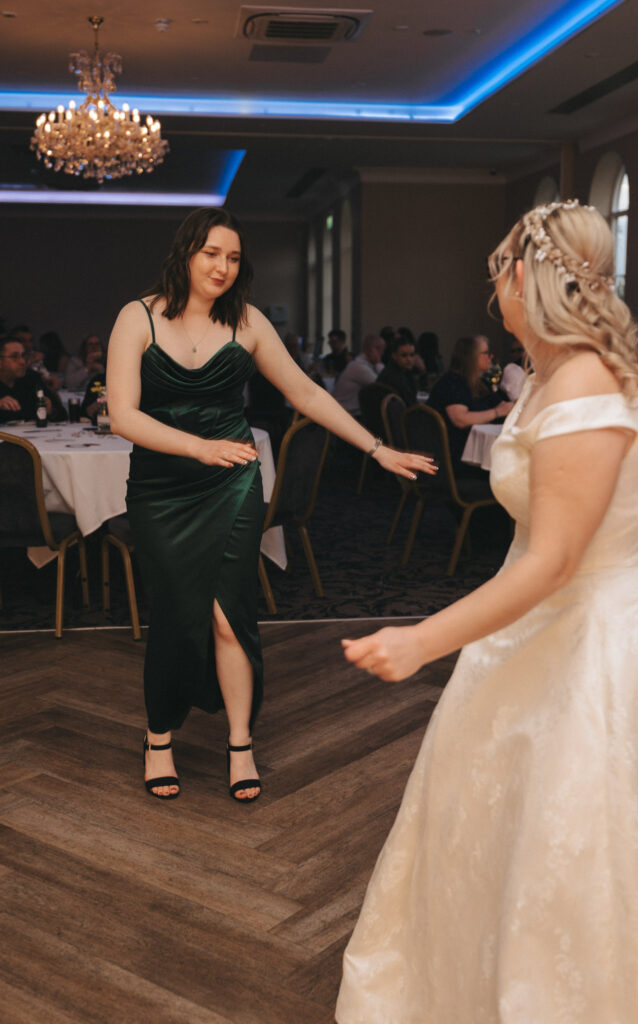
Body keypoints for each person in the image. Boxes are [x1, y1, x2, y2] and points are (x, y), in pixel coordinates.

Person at [336, 200, 638, 1022]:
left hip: (596, 647)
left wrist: (420, 640)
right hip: (538, 634)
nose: (496, 299)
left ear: (527, 277)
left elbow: (555, 558)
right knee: (502, 843)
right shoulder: (564, 374)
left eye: (500, 279)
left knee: (578, 857)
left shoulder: (589, 380)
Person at [106, 207, 434, 803]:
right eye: (212, 254)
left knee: (230, 615)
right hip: (160, 489)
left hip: (231, 487)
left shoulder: (248, 321)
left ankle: (240, 743)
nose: (223, 267)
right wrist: (197, 446)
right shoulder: (138, 317)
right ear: (186, 253)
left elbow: (306, 391)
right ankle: (159, 738)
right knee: (178, 614)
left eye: (233, 258)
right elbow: (123, 415)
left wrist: (377, 447)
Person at [428, 335, 514, 475]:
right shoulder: (452, 382)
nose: (491, 356)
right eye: (486, 353)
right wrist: (497, 412)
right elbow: (460, 419)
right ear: (471, 356)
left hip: (477, 452)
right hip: (462, 459)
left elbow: (504, 405)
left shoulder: (479, 383)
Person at [0, 336, 66, 422]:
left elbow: (63, 415)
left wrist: (51, 411)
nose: (22, 362)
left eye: (23, 356)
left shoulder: (32, 378)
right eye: (14, 357)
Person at [334, 334, 385, 416]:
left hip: (351, 411)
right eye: (381, 350)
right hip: (347, 412)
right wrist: (378, 362)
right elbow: (381, 385)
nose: (382, 354)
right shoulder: (359, 366)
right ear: (373, 350)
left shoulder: (363, 364)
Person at [377, 335, 418, 406]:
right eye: (404, 355)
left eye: (412, 355)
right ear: (394, 356)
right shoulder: (395, 377)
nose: (409, 359)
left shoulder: (402, 372)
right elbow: (410, 405)